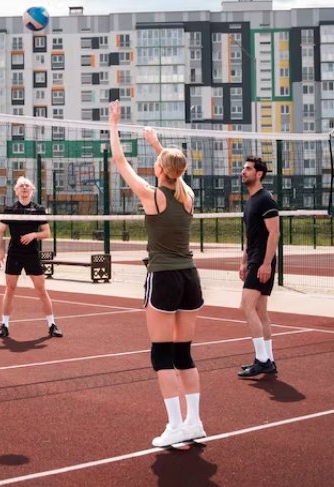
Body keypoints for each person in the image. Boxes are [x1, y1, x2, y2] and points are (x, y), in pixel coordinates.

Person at [109, 100, 205, 447]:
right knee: (183, 354)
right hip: (190, 279)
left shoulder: (154, 196)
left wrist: (114, 124)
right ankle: (193, 422)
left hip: (164, 278)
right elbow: (176, 171)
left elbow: (120, 162)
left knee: (161, 354)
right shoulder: (187, 195)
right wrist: (157, 143)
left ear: (160, 169)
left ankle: (176, 426)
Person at [0, 176, 62, 339]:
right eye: (21, 186)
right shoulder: (10, 209)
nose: (24, 187)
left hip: (31, 253)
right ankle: (4, 325)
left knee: (41, 289)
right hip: (14, 253)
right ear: (16, 190)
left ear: (32, 190)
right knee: (10, 289)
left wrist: (34, 235)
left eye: (27, 185)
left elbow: (47, 233)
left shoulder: (38, 209)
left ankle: (52, 324)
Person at [237, 156, 280, 377]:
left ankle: (262, 360)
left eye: (247, 169)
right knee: (261, 311)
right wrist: (244, 261)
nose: (243, 172)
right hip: (253, 258)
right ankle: (269, 360)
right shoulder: (251, 200)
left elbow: (275, 233)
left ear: (259, 173)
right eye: (243, 169)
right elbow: (251, 236)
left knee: (246, 306)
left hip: (262, 260)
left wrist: (265, 264)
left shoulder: (265, 199)